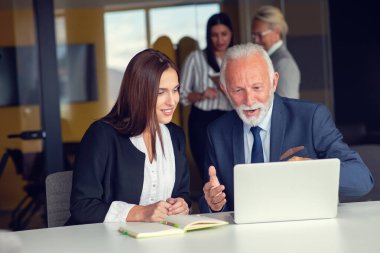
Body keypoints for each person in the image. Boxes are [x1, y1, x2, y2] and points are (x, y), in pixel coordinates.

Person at [200, 43, 373, 213]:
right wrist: (215, 205)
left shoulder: (311, 118)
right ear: (224, 89)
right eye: (238, 90)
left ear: (274, 82)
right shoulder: (216, 132)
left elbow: (362, 180)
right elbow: (209, 199)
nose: (249, 100)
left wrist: (313, 170)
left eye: (257, 87)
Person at [67, 49, 190, 225]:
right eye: (160, 92)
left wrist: (182, 206)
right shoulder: (101, 135)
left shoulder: (175, 136)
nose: (172, 101)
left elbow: (182, 193)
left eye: (175, 89)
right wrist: (140, 213)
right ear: (139, 92)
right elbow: (82, 206)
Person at [180, 13, 234, 180]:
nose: (220, 40)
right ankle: (210, 205)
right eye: (214, 35)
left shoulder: (238, 57)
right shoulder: (196, 58)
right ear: (208, 36)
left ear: (231, 34)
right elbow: (182, 94)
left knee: (230, 169)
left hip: (230, 118)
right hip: (202, 120)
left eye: (224, 34)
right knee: (208, 171)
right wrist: (202, 94)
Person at [251, 5, 301, 99]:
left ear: (277, 32)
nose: (256, 40)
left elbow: (286, 105)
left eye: (260, 35)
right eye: (254, 35)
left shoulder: (284, 63)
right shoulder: (267, 59)